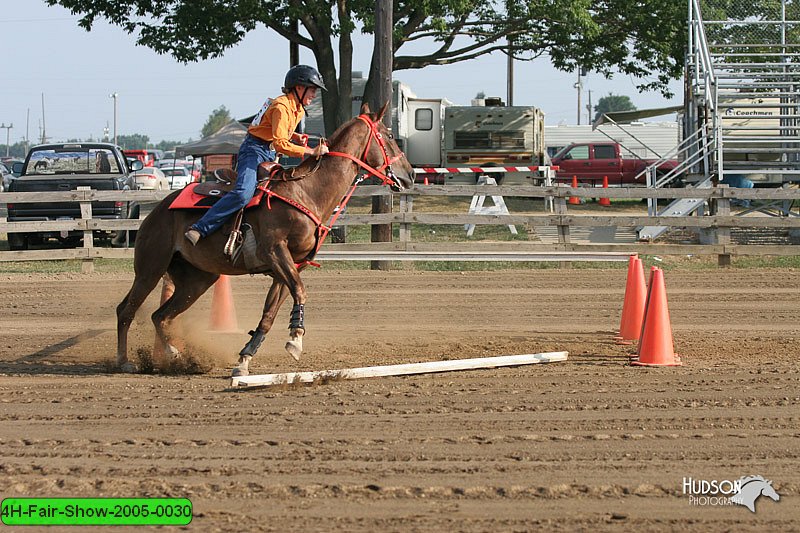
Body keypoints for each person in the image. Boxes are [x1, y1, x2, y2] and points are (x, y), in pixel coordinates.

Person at [185, 64, 329, 245]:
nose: (314, 95)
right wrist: (311, 151)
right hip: (253, 151)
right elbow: (280, 144)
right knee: (243, 193)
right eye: (312, 90)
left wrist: (295, 135)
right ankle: (199, 228)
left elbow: (273, 128)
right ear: (299, 87)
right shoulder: (281, 107)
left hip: (268, 152)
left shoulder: (298, 109)